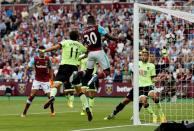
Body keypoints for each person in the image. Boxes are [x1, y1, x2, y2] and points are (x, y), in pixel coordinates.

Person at [39, 31, 93, 121]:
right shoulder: (80, 45)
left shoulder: (66, 42)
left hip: (64, 66)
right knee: (79, 91)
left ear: (70, 36)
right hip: (74, 68)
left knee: (56, 85)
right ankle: (87, 108)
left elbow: (55, 47)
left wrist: (44, 50)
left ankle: (52, 97)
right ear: (77, 37)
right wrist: (80, 57)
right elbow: (87, 52)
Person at [104, 50, 167, 123]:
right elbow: (131, 72)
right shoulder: (137, 64)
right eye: (142, 55)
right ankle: (113, 114)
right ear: (141, 56)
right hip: (137, 87)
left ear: (148, 57)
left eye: (146, 55)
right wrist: (132, 81)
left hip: (147, 86)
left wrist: (158, 79)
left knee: (149, 98)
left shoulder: (151, 66)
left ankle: (156, 114)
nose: (144, 57)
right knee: (126, 101)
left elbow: (152, 78)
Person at [70, 15, 120, 89]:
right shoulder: (97, 27)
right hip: (99, 51)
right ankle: (96, 77)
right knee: (107, 72)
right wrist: (116, 39)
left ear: (87, 22)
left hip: (90, 54)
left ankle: (78, 73)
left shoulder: (84, 31)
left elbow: (88, 43)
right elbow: (108, 36)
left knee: (88, 72)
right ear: (94, 21)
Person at [21, 45, 54, 117]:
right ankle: (24, 112)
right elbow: (27, 67)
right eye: (40, 51)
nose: (42, 53)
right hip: (37, 80)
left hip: (46, 80)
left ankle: (52, 111)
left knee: (50, 97)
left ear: (44, 51)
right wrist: (25, 75)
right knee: (32, 95)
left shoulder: (48, 59)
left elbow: (51, 68)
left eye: (43, 51)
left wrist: (51, 77)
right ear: (38, 51)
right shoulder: (34, 59)